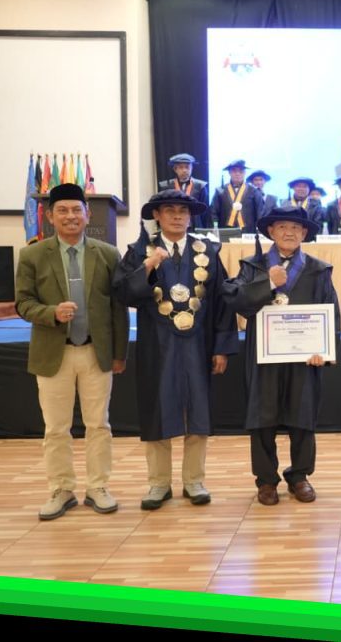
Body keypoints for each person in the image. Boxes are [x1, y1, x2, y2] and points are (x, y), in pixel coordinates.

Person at [114, 189, 239, 510]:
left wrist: (222, 348)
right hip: (157, 345)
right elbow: (123, 293)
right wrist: (149, 265)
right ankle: (159, 483)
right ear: (157, 215)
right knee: (157, 409)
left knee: (198, 410)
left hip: (199, 344)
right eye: (169, 210)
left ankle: (194, 480)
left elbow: (222, 302)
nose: (177, 216)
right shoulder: (139, 250)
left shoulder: (208, 250)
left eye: (183, 211)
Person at [15, 183, 129, 520]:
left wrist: (119, 353)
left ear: (87, 214)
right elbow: (23, 303)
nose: (70, 216)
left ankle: (98, 487)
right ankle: (61, 489)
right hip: (54, 353)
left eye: (76, 210)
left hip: (96, 352)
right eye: (62, 210)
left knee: (99, 425)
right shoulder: (32, 255)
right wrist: (51, 313)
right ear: (49, 216)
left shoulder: (108, 254)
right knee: (56, 428)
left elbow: (118, 309)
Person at [221, 206, 340, 506]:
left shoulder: (318, 270)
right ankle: (266, 480)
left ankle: (299, 476)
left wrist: (325, 351)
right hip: (264, 357)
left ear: (304, 233)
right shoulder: (253, 267)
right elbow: (235, 300)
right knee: (262, 418)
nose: (289, 232)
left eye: (296, 228)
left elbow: (331, 313)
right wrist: (269, 283)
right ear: (271, 232)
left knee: (303, 416)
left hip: (305, 359)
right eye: (283, 227)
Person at [211, 159, 265, 233]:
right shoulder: (220, 191)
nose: (237, 173)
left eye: (241, 171)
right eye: (234, 171)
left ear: (245, 173)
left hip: (248, 232)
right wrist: (215, 228)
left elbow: (259, 214)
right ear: (229, 173)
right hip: (225, 231)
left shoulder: (254, 191)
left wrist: (259, 232)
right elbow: (214, 212)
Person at [158, 153, 210, 230]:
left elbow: (205, 211)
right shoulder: (166, 187)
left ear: (192, 168)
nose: (184, 170)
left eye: (187, 167)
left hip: (194, 227)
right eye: (181, 167)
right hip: (173, 226)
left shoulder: (200, 186)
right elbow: (162, 209)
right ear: (175, 169)